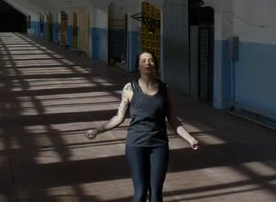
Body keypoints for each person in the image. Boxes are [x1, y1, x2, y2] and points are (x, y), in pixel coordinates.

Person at [85, 51, 200, 202]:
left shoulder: (165, 89)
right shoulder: (129, 89)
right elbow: (119, 117)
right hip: (135, 145)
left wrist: (190, 139)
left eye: (151, 60)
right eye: (144, 61)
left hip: (159, 145)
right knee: (140, 192)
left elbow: (173, 119)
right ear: (138, 66)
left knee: (156, 194)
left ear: (156, 65)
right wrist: (98, 129)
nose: (148, 63)